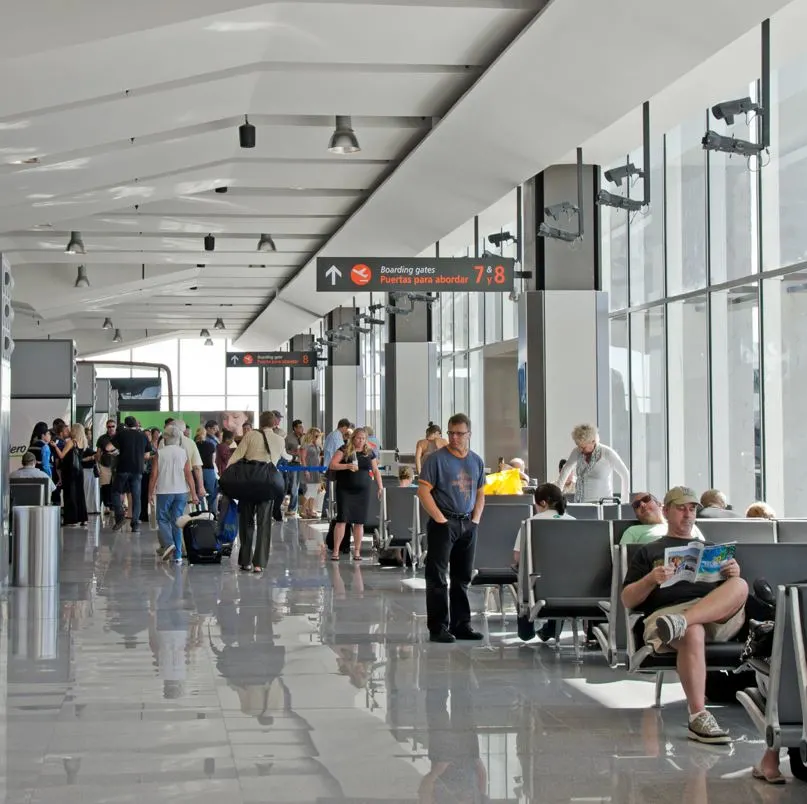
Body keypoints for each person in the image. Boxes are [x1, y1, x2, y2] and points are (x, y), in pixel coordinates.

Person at [621, 486, 748, 744]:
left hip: (713, 613)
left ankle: (684, 621)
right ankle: (698, 716)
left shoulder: (711, 549)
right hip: (666, 615)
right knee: (692, 631)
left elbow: (731, 592)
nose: (688, 514)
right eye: (681, 508)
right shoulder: (648, 552)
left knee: (741, 585)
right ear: (666, 511)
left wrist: (731, 573)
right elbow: (627, 600)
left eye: (692, 509)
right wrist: (649, 580)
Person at [417, 413, 486, 644]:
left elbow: (480, 492)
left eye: (459, 433)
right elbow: (423, 491)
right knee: (437, 576)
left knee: (462, 576)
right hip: (443, 523)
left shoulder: (476, 461)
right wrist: (440, 520)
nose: (454, 438)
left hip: (467, 523)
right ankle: (438, 627)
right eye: (451, 433)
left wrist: (475, 519)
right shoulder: (436, 460)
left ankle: (461, 624)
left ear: (469, 435)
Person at [227, 411, 290, 573]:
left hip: (248, 482)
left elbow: (236, 456)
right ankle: (259, 563)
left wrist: (227, 474)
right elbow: (286, 457)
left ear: (260, 422)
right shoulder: (279, 439)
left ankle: (245, 560)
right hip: (267, 484)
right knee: (264, 523)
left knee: (246, 521)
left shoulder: (251, 435)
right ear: (275, 423)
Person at [329, 428, 383, 561]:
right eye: (358, 438)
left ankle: (357, 551)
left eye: (363, 438)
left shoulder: (369, 452)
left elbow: (376, 471)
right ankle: (336, 550)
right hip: (345, 489)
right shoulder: (344, 449)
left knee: (360, 521)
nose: (361, 441)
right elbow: (332, 465)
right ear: (353, 438)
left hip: (363, 491)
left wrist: (380, 486)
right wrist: (347, 466)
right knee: (342, 519)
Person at [149, 425, 198, 563]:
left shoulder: (160, 453)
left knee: (162, 519)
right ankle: (177, 556)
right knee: (176, 521)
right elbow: (189, 475)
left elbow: (153, 475)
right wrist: (193, 494)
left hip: (164, 491)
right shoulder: (183, 453)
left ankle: (169, 543)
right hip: (181, 492)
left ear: (165, 438)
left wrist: (150, 492)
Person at [557, 423, 630, 503]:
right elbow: (566, 469)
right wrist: (557, 495)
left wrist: (624, 502)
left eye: (583, 447)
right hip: (580, 503)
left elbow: (625, 474)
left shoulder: (607, 453)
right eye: (578, 446)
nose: (580, 450)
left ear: (593, 441)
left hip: (603, 504)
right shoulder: (577, 451)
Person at [512, 483, 574, 566]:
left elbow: (518, 557)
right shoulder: (574, 521)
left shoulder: (529, 523)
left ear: (543, 503)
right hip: (570, 575)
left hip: (538, 577)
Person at [111, 416, 151, 533]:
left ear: (126, 424)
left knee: (116, 492)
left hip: (123, 468)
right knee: (136, 496)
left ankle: (120, 517)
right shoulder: (143, 435)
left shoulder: (122, 434)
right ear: (136, 424)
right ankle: (135, 524)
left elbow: (109, 447)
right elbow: (147, 456)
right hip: (138, 469)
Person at [321, 418, 352, 519]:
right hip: (334, 468)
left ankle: (327, 511)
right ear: (344, 427)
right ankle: (327, 512)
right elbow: (341, 452)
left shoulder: (332, 435)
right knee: (331, 491)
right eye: (346, 429)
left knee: (330, 491)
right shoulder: (337, 436)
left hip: (330, 466)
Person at [173, 420, 206, 505]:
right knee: (184, 513)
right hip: (185, 483)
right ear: (184, 430)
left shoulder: (163, 442)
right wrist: (200, 486)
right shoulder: (190, 443)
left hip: (166, 483)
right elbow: (197, 467)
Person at [62, 424, 88, 526]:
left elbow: (62, 455)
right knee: (80, 493)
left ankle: (72, 519)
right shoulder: (83, 442)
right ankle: (83, 518)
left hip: (70, 470)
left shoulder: (71, 442)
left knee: (70, 493)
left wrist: (55, 447)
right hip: (79, 470)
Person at [300, 427, 323, 518]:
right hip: (309, 469)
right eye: (316, 435)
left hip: (316, 469)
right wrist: (306, 470)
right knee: (309, 490)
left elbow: (319, 457)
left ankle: (310, 510)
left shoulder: (316, 445)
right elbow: (303, 458)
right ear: (311, 435)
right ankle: (302, 509)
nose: (317, 437)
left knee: (314, 491)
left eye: (318, 435)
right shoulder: (306, 444)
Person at [283, 419, 305, 519]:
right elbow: (284, 451)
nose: (302, 428)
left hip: (304, 463)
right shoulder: (288, 438)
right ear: (295, 428)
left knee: (305, 487)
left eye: (302, 426)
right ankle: (292, 509)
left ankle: (303, 509)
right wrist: (294, 453)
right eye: (299, 427)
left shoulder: (305, 437)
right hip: (293, 464)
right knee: (294, 486)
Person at [95, 419, 118, 514]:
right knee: (105, 486)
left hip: (117, 465)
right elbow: (98, 453)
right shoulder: (102, 438)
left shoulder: (119, 436)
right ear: (106, 427)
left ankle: (115, 505)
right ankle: (107, 506)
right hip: (105, 465)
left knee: (116, 486)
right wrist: (98, 465)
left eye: (113, 426)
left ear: (115, 426)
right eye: (109, 427)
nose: (111, 428)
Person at [195, 424, 218, 513]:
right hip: (209, 471)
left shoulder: (194, 445)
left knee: (199, 493)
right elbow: (213, 460)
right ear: (205, 434)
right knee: (212, 493)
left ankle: (200, 513)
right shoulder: (211, 445)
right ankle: (212, 514)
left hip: (197, 470)